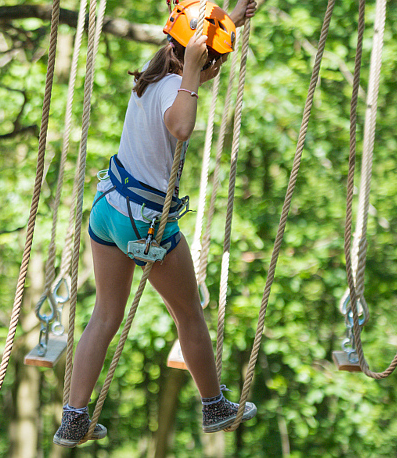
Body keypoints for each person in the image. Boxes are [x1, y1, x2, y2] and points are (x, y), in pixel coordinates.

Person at [54, 0, 258, 447]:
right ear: (194, 57)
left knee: (104, 316)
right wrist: (192, 71)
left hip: (109, 208)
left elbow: (184, 54)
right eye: (213, 60)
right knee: (189, 314)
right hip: (143, 221)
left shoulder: (152, 76)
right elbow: (181, 127)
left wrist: (231, 19)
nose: (215, 68)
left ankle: (73, 417)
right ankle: (214, 406)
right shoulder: (174, 90)